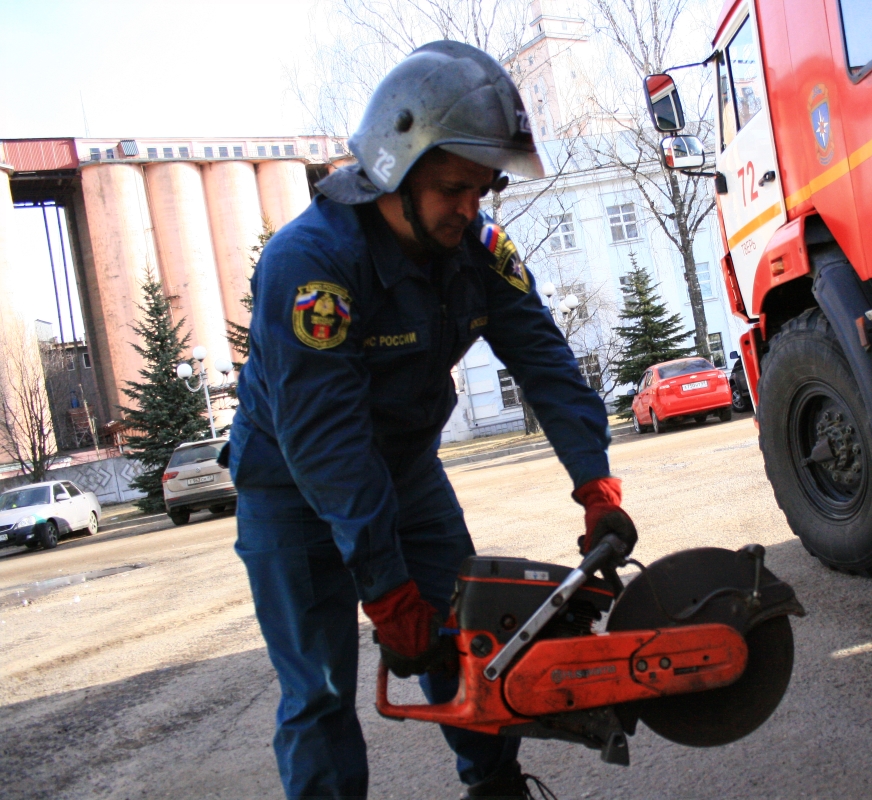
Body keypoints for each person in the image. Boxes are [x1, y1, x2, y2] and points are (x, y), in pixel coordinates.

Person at [227, 40, 638, 800]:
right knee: (316, 693)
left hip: (406, 475)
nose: (470, 208)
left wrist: (596, 485)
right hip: (290, 489)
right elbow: (327, 444)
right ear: (395, 169)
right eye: (454, 188)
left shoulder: (476, 250)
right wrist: (384, 591)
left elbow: (546, 363)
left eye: (481, 191)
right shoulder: (310, 266)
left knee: (472, 642)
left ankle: (494, 787)